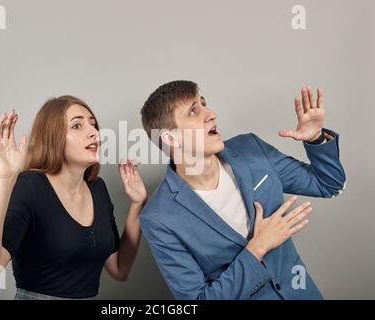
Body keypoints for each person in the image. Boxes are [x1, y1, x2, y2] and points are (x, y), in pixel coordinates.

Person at [139, 80, 346, 300]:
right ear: (171, 138)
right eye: (193, 111)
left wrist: (316, 139)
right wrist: (257, 248)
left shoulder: (250, 149)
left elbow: (328, 184)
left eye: (204, 103)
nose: (211, 114)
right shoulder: (159, 218)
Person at [0, 95, 147, 299]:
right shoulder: (30, 186)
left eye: (93, 124)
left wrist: (138, 204)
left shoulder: (98, 189)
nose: (93, 132)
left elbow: (119, 269)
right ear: (53, 137)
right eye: (77, 126)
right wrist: (5, 178)